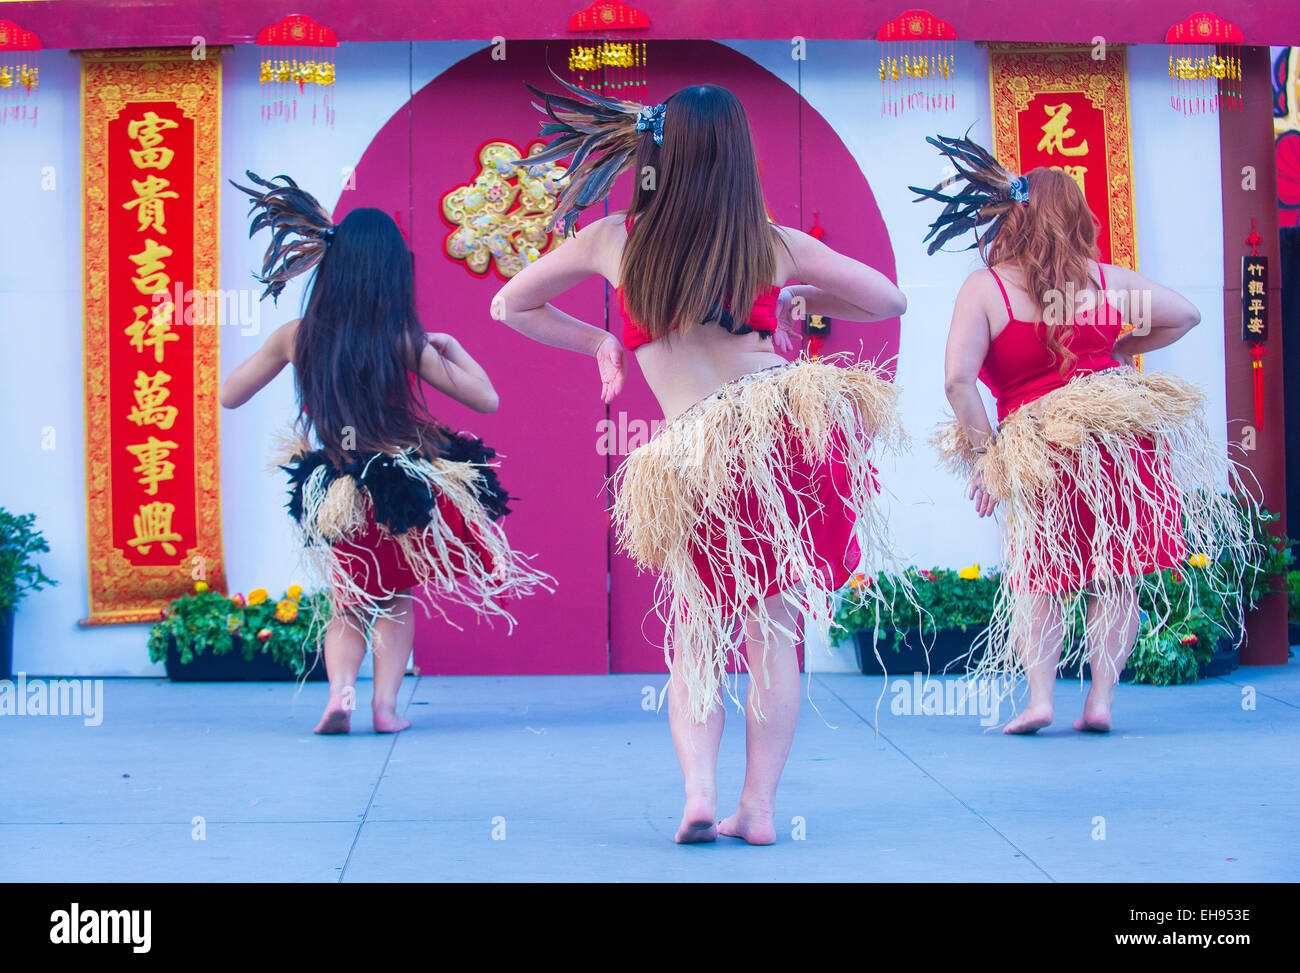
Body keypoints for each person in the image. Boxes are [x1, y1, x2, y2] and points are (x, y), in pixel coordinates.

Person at [492, 79, 908, 843]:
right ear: (739, 157)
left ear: (658, 153)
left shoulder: (615, 238)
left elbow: (509, 304)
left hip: (690, 455)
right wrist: (801, 291)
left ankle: (699, 790)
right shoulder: (774, 245)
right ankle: (758, 808)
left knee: (696, 630)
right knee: (772, 632)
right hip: (775, 441)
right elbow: (889, 300)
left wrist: (599, 342)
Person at [914, 135, 1258, 734]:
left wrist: (986, 455)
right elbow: (1185, 313)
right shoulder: (1105, 280)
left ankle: (1041, 699)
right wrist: (1123, 346)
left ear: (1011, 217)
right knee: (1115, 570)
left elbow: (956, 381)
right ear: (1077, 217)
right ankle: (1099, 701)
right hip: (1118, 444)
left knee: (1040, 572)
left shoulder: (987, 288)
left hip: (1042, 445)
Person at [222, 172, 551, 735]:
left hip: (336, 489)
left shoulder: (295, 335)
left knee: (347, 600)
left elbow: (229, 395)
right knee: (396, 597)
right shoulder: (401, 339)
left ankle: (341, 697)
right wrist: (452, 348)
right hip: (396, 488)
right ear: (391, 273)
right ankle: (384, 708)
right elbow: (487, 400)